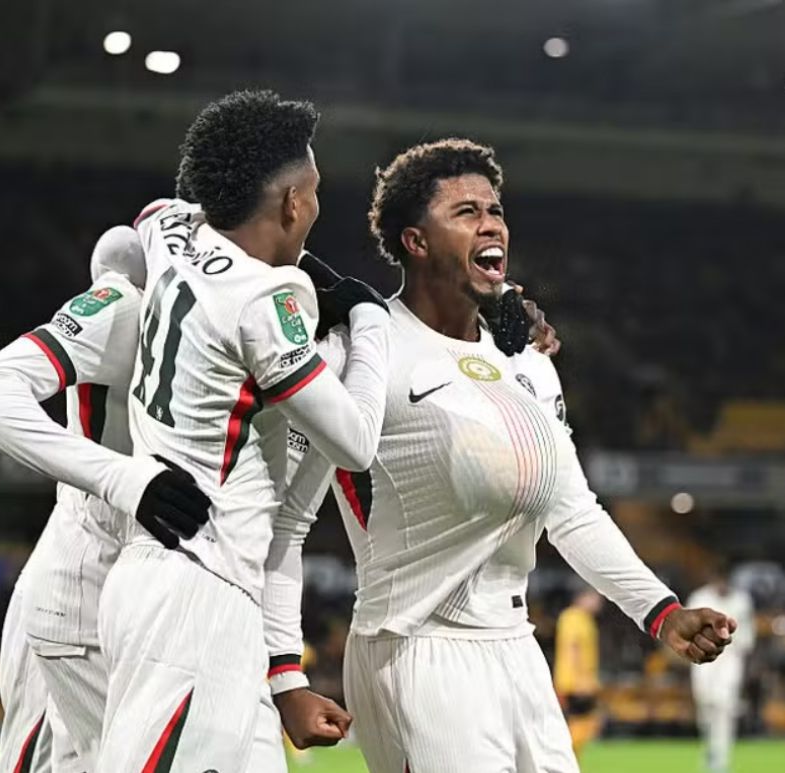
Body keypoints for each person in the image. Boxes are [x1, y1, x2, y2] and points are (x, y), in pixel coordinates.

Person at [263, 138, 737, 773]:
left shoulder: (527, 359)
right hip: (415, 654)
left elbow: (573, 510)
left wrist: (662, 612)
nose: (490, 223)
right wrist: (285, 674)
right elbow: (287, 523)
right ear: (415, 241)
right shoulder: (362, 351)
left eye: (495, 210)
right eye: (465, 211)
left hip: (518, 652)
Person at [94, 89, 393, 773]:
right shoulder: (262, 302)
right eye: (313, 192)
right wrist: (369, 320)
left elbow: (153, 214)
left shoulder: (170, 229)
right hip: (195, 594)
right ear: (291, 203)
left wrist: (283, 676)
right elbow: (355, 442)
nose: (315, 208)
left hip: (192, 587)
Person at [0, 226, 213, 773]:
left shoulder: (221, 309)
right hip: (84, 569)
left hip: (130, 574)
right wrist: (121, 478)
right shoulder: (123, 303)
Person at [689, 568, 756, 773]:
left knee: (725, 707)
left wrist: (744, 659)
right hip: (703, 657)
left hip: (730, 658)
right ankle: (709, 748)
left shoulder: (742, 601)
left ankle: (721, 760)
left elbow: (747, 636)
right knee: (705, 705)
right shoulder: (699, 598)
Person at [554, 586, 604, 759]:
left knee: (585, 723)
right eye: (595, 598)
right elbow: (573, 648)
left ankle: (570, 760)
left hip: (580, 681)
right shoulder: (573, 617)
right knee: (582, 723)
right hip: (574, 682)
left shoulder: (584, 618)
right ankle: (565, 759)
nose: (599, 603)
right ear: (583, 597)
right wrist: (581, 680)